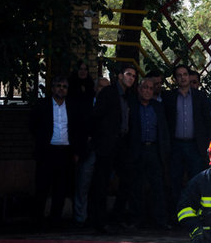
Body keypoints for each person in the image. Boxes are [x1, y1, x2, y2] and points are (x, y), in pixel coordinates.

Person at [89, 65, 137, 233]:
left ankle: (117, 216)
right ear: (119, 76)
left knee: (128, 178)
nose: (131, 78)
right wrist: (98, 140)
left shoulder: (129, 96)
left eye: (133, 75)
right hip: (107, 143)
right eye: (128, 74)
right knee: (101, 182)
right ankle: (99, 221)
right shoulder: (108, 93)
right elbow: (96, 117)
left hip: (122, 143)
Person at [30, 75, 83, 228]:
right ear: (52, 88)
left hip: (65, 152)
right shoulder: (42, 105)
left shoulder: (72, 106)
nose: (61, 88)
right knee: (42, 186)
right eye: (58, 85)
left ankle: (55, 221)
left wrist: (75, 151)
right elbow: (33, 126)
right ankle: (37, 221)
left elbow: (76, 129)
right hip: (47, 152)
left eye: (64, 86)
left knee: (60, 188)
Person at [163, 65, 211, 211]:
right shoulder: (169, 97)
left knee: (196, 181)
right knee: (174, 181)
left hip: (194, 146)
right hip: (176, 146)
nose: (183, 77)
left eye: (185, 74)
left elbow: (206, 122)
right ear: (175, 79)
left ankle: (196, 214)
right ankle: (176, 215)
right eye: (179, 75)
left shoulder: (200, 96)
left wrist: (206, 144)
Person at [129, 77, 171, 229]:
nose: (147, 91)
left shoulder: (158, 107)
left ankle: (160, 220)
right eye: (144, 88)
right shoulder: (132, 105)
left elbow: (164, 130)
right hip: (137, 149)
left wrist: (164, 151)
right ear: (139, 89)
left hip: (154, 149)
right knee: (136, 186)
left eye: (150, 88)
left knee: (158, 186)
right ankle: (136, 219)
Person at [72, 77, 110, 226]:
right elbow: (78, 126)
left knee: (101, 186)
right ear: (95, 88)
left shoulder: (111, 105)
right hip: (88, 150)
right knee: (83, 184)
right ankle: (80, 218)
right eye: (100, 87)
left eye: (106, 88)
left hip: (105, 150)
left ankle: (97, 217)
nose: (102, 90)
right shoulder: (85, 104)